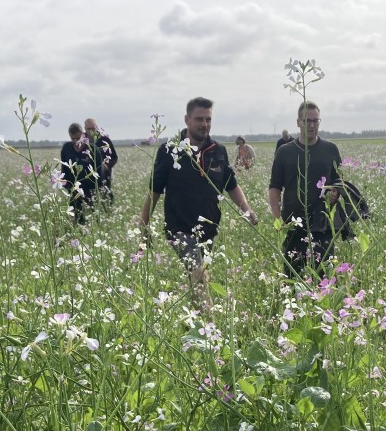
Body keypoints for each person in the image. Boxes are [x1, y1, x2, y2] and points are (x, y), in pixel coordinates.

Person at [140, 97, 258, 308]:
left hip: (209, 229)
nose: (204, 124)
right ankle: (210, 329)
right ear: (187, 119)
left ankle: (194, 322)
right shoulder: (170, 150)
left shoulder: (218, 151)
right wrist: (143, 224)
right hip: (180, 229)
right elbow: (154, 190)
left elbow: (231, 185)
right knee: (198, 275)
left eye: (208, 119)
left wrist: (247, 210)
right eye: (199, 119)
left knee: (200, 276)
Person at [268, 101, 342, 278]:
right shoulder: (285, 151)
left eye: (315, 121)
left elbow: (339, 181)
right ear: (298, 122)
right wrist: (279, 220)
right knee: (293, 275)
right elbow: (275, 187)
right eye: (306, 121)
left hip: (322, 224)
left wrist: (335, 193)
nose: (311, 125)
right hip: (293, 224)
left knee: (325, 277)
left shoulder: (330, 149)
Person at [60, 123, 103, 224]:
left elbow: (98, 173)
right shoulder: (66, 148)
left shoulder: (93, 149)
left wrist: (93, 191)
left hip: (89, 191)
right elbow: (64, 170)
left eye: (78, 138)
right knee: (76, 218)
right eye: (73, 138)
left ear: (83, 135)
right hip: (73, 191)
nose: (75, 141)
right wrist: (68, 188)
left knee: (91, 219)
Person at [84, 118, 118, 203]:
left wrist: (107, 165)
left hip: (104, 175)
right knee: (89, 200)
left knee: (107, 197)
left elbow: (114, 157)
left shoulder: (104, 140)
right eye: (89, 129)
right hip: (88, 176)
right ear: (85, 129)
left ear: (96, 127)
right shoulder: (81, 140)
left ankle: (108, 213)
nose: (91, 131)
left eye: (93, 128)